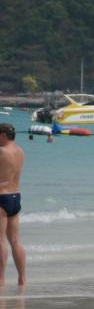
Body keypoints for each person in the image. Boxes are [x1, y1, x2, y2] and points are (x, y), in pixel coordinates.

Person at [0, 123, 26, 288]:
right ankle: (22, 278)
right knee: (15, 241)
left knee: (0, 240)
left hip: (1, 197)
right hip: (15, 196)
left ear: (3, 135)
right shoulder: (20, 152)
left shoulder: (2, 151)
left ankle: (0, 279)